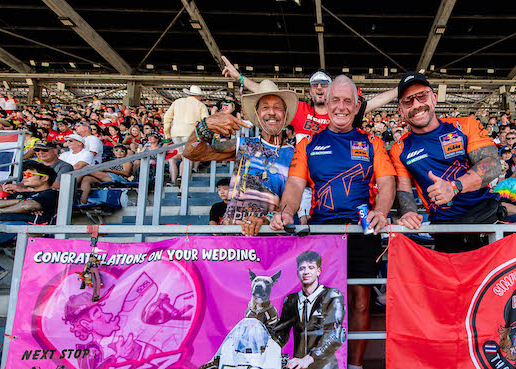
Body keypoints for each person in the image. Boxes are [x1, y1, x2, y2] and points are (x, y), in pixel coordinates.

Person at [270, 75, 396, 369]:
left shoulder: (372, 142)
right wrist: (285, 212)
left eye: (347, 101)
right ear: (326, 104)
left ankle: (355, 368)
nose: (341, 106)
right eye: (335, 100)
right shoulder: (309, 144)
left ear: (357, 105)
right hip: (322, 233)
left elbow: (387, 182)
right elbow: (295, 185)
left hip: (362, 231)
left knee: (360, 299)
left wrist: (381, 211)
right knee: (320, 301)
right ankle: (321, 367)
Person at [388, 71, 503, 252]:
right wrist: (409, 212)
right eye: (408, 101)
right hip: (444, 227)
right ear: (401, 111)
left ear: (434, 98)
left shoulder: (464, 125)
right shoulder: (399, 148)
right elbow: (404, 189)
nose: (416, 104)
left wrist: (454, 186)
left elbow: (493, 164)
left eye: (422, 96)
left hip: (485, 217)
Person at [183, 79, 301, 237]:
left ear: (285, 115)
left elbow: (295, 200)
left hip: (271, 237)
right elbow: (191, 153)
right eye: (265, 107)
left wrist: (268, 219)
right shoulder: (244, 144)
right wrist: (204, 126)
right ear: (257, 115)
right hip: (232, 236)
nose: (272, 112)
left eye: (277, 107)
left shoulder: (296, 153)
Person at [221, 55, 400, 142]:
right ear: (310, 91)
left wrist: (403, 88)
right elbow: (268, 94)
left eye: (324, 84)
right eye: (315, 85)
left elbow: (376, 102)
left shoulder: (342, 111)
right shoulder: (299, 109)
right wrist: (240, 78)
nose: (319, 87)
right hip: (304, 181)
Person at [273, 251, 346, 369]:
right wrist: (267, 349)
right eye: (302, 268)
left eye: (311, 267)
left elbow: (335, 334)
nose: (306, 271)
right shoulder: (291, 300)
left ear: (319, 271)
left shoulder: (332, 296)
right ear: (297, 272)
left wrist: (310, 358)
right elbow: (281, 333)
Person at [163, 85, 209, 172]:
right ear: (199, 96)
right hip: (191, 134)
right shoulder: (201, 105)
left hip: (176, 134)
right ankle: (184, 178)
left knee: (184, 157)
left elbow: (167, 117)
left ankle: (181, 177)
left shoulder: (177, 102)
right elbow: (205, 122)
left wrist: (167, 135)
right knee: (189, 158)